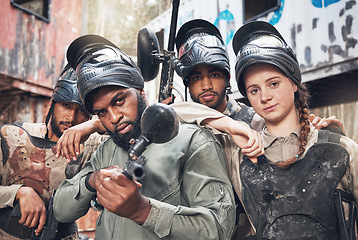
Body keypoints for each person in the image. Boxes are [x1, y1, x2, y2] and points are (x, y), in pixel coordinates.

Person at [53, 34, 240, 240]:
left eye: (119, 101)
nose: (114, 118)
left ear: (141, 92)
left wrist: (143, 211)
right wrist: (91, 181)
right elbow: (61, 210)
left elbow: (219, 228)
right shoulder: (107, 150)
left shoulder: (193, 141)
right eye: (102, 112)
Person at [187, 21, 358, 239]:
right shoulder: (240, 154)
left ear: (294, 82)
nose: (264, 96)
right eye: (254, 89)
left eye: (274, 83)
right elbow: (175, 111)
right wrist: (227, 123)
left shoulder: (340, 148)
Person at [0, 64, 104, 240]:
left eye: (81, 111)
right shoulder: (9, 136)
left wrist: (95, 125)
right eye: (66, 105)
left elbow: (127, 133)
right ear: (52, 105)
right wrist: (19, 192)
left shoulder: (92, 147)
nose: (71, 118)